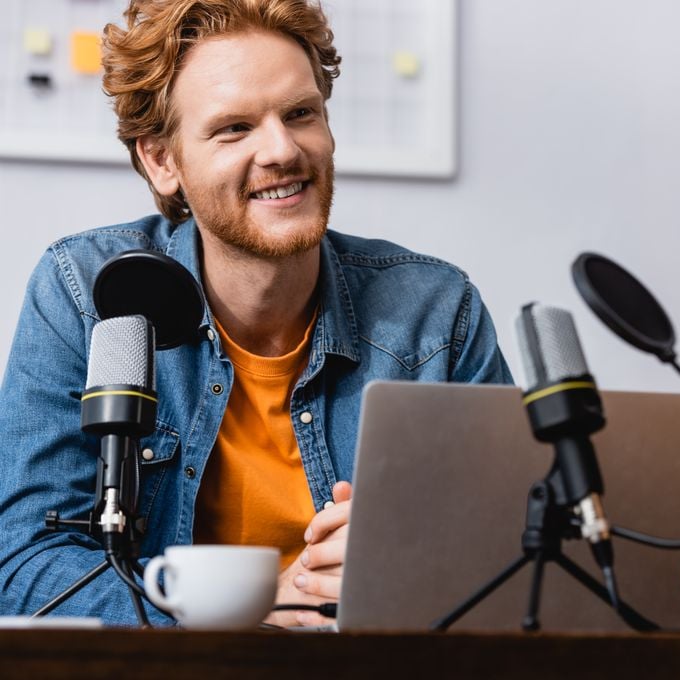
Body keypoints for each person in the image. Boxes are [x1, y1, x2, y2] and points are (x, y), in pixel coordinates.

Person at [0, 0, 511, 628]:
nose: (282, 150)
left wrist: (417, 571)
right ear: (163, 161)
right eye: (235, 128)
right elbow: (25, 563)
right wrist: (248, 611)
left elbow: (518, 557)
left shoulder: (437, 310)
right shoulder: (85, 292)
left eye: (301, 114)